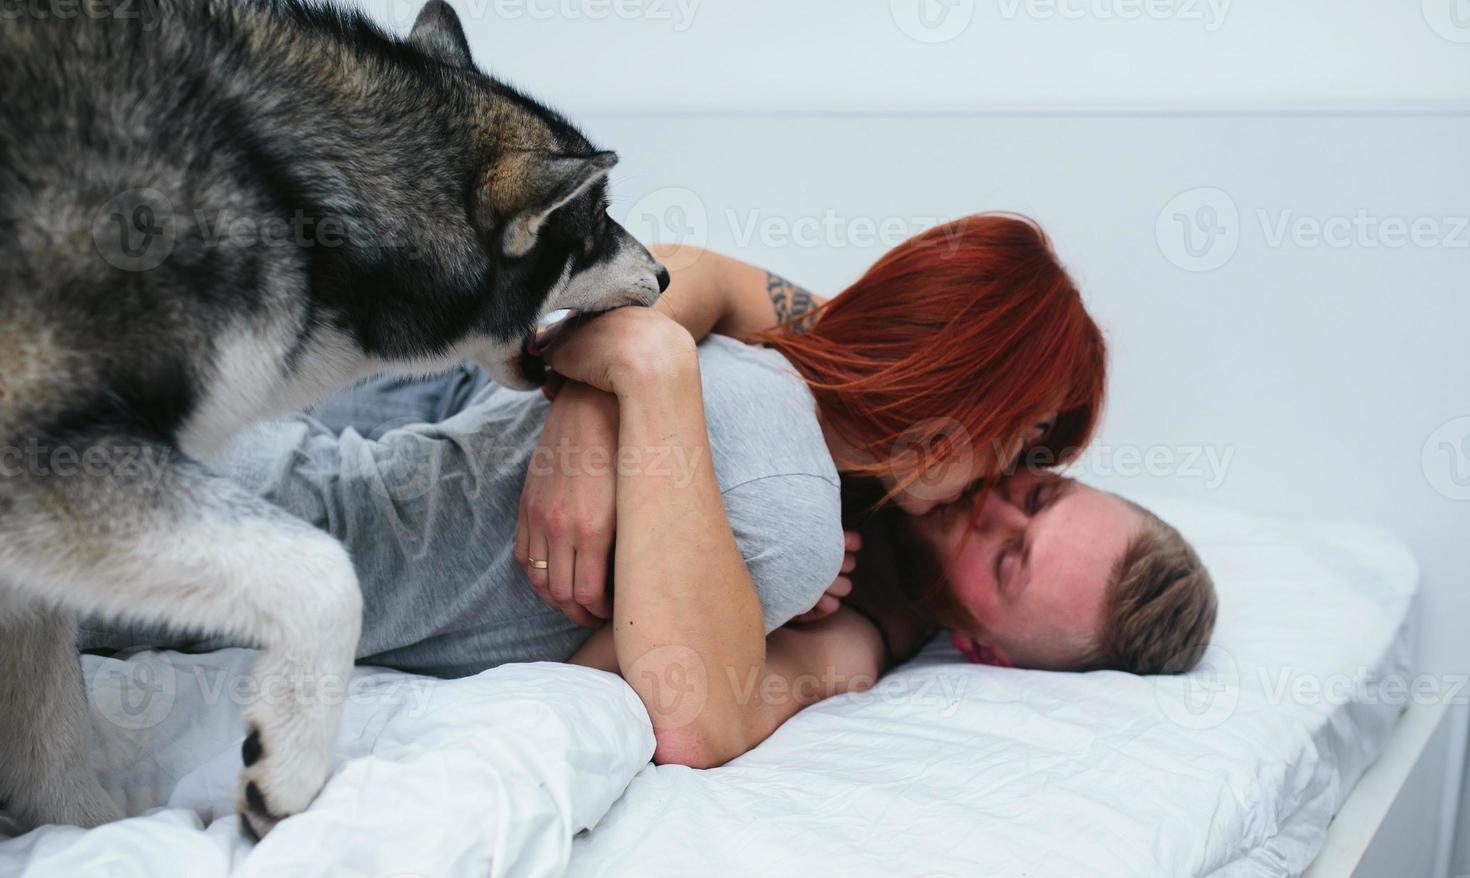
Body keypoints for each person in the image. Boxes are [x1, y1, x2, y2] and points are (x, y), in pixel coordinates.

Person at [81, 214, 1216, 769]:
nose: (1003, 500)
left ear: (990, 650)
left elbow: (688, 706)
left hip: (363, 489)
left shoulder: (860, 618)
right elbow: (708, 277)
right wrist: (597, 398)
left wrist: (649, 390)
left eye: (1011, 557)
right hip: (436, 405)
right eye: (1042, 488)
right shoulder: (863, 380)